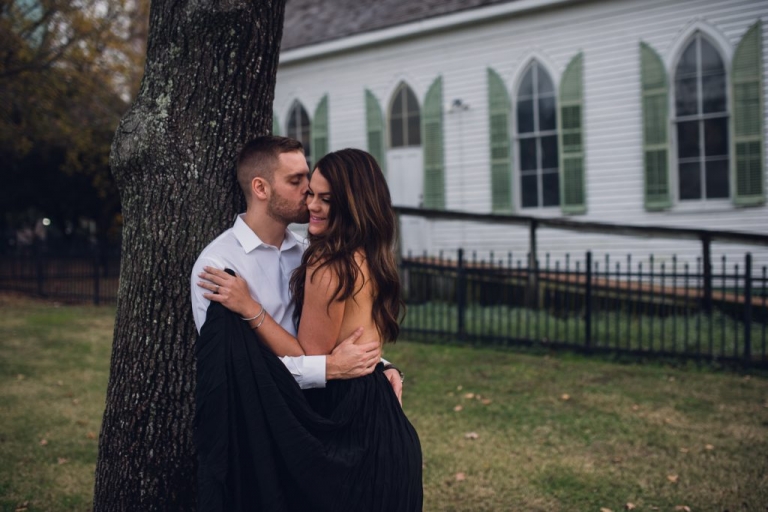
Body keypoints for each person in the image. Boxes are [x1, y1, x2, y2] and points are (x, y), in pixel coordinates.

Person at [197, 147, 422, 511]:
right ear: (259, 187)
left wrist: (251, 308)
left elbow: (310, 356)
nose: (311, 203)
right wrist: (380, 365)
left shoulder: (325, 261)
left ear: (352, 203)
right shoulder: (371, 255)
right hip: (386, 431)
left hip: (353, 433)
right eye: (306, 189)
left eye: (324, 198)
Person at [190, 136, 403, 394]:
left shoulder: (309, 252)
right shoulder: (218, 264)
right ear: (261, 188)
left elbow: (343, 333)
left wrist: (382, 366)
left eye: (308, 179)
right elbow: (235, 367)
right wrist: (329, 368)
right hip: (265, 416)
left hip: (325, 408)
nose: (307, 190)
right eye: (295, 181)